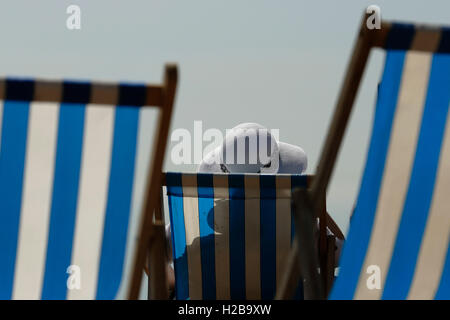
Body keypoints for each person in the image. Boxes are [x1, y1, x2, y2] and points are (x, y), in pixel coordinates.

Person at [164, 123, 343, 297]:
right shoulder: (299, 231)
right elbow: (345, 258)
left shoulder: (196, 238)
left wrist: (173, 288)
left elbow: (155, 253)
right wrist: (314, 203)